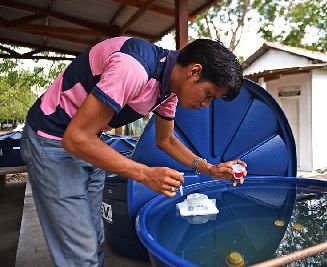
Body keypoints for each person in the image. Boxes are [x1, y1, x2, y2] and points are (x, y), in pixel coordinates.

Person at [20, 36, 247, 266]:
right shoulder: (134, 67)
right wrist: (145, 174)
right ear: (195, 71)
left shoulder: (168, 89)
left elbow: (166, 140)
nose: (206, 104)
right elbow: (76, 138)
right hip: (52, 141)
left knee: (95, 241)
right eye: (209, 94)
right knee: (80, 254)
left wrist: (209, 168)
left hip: (89, 143)